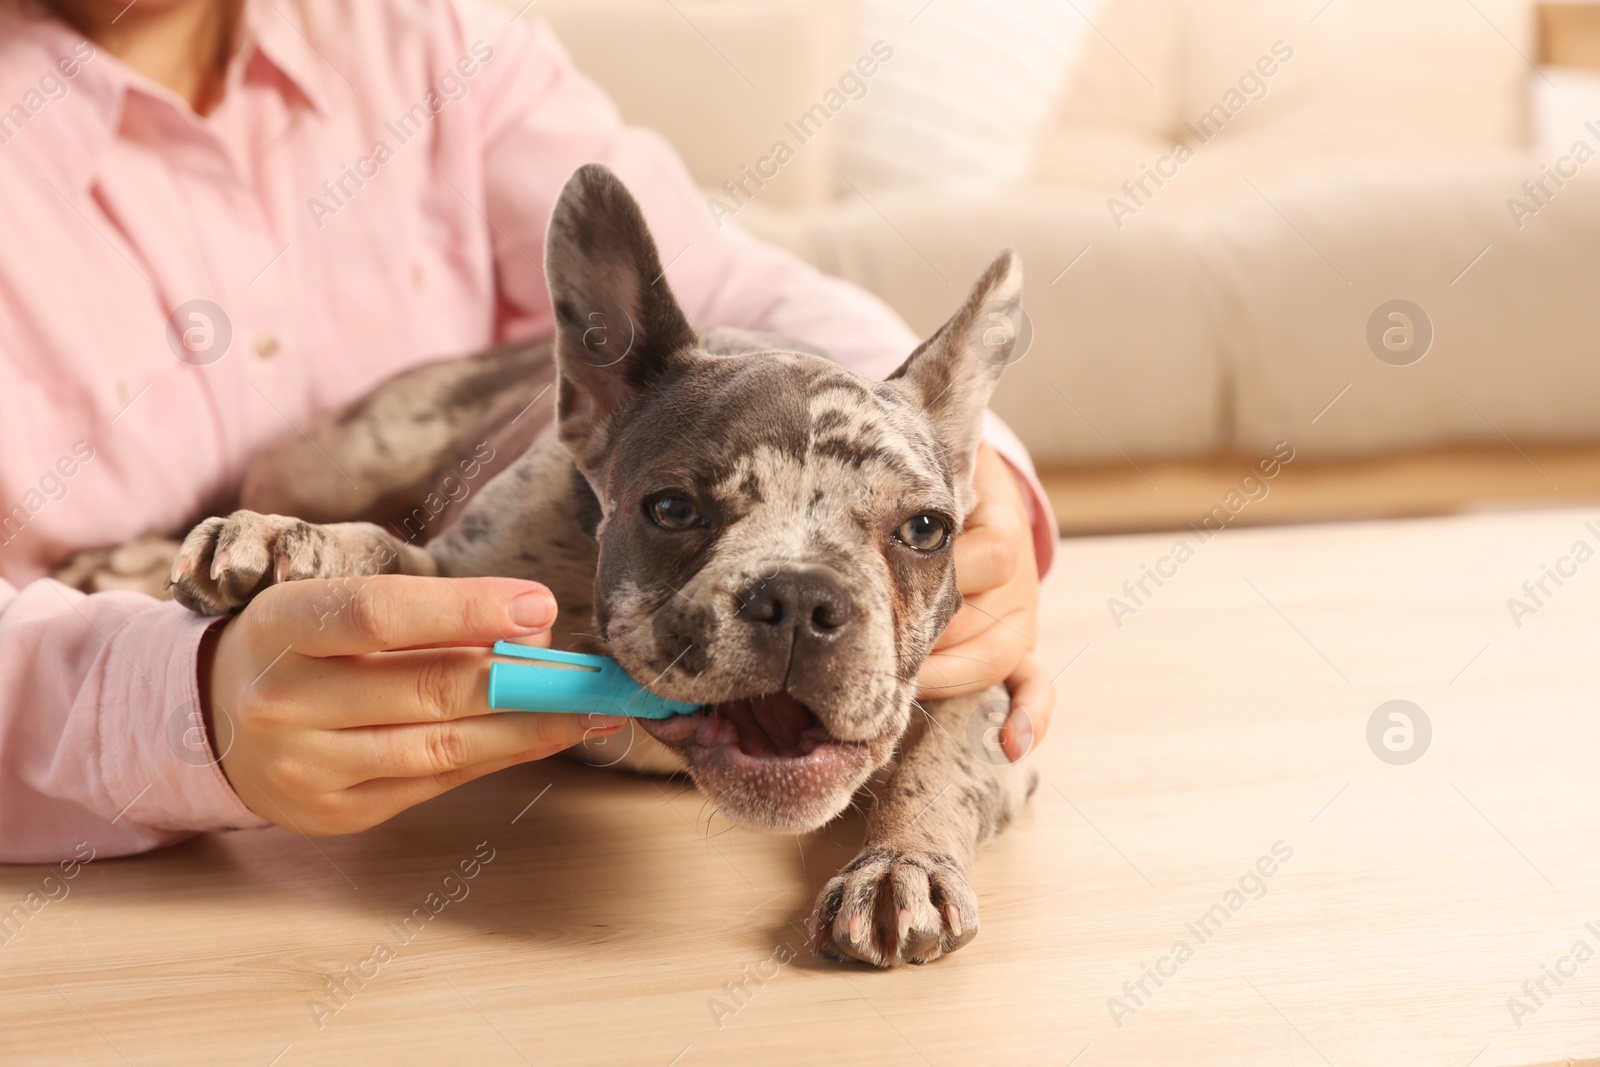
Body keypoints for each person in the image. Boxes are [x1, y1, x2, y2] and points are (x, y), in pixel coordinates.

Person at [0, 0, 1058, 864]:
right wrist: (178, 702)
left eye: (910, 528)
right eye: (684, 507)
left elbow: (729, 286)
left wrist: (972, 476)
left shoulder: (433, 41)